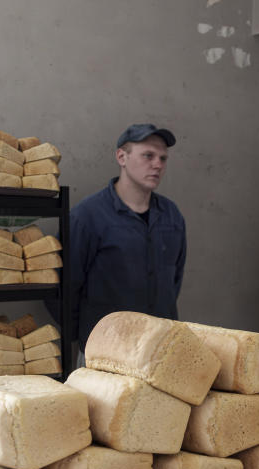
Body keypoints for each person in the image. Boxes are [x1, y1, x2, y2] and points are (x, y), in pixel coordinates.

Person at [65, 124, 187, 363]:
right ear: (122, 156)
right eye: (148, 156)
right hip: (105, 354)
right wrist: (89, 336)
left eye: (163, 158)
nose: (158, 165)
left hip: (159, 351)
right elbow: (66, 289)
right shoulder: (88, 216)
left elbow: (174, 281)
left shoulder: (171, 215)